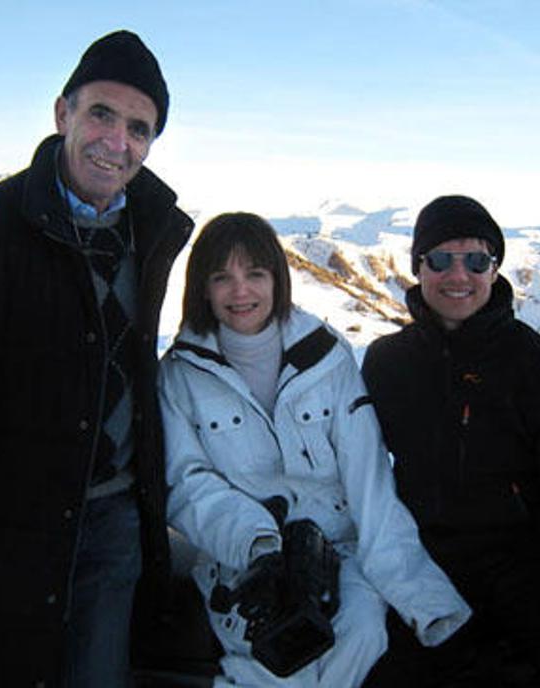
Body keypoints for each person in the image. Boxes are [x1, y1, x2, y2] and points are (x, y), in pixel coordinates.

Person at [0, 30, 193, 686]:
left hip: (112, 531)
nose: (117, 142)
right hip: (3, 541)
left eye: (138, 128)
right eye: (101, 114)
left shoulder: (148, 229)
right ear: (62, 113)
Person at [158, 212, 471, 687]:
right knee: (277, 663)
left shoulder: (326, 356)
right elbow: (186, 483)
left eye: (255, 274)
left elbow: (368, 479)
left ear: (277, 280)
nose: (240, 292)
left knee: (362, 635)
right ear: (202, 287)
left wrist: (423, 597)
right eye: (222, 278)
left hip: (337, 549)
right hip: (240, 560)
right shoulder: (180, 374)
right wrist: (257, 545)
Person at [361, 195, 540, 687]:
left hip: (524, 567)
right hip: (418, 564)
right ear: (418, 268)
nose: (459, 275)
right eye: (441, 259)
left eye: (476, 261)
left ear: (495, 269)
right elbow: (353, 465)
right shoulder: (388, 362)